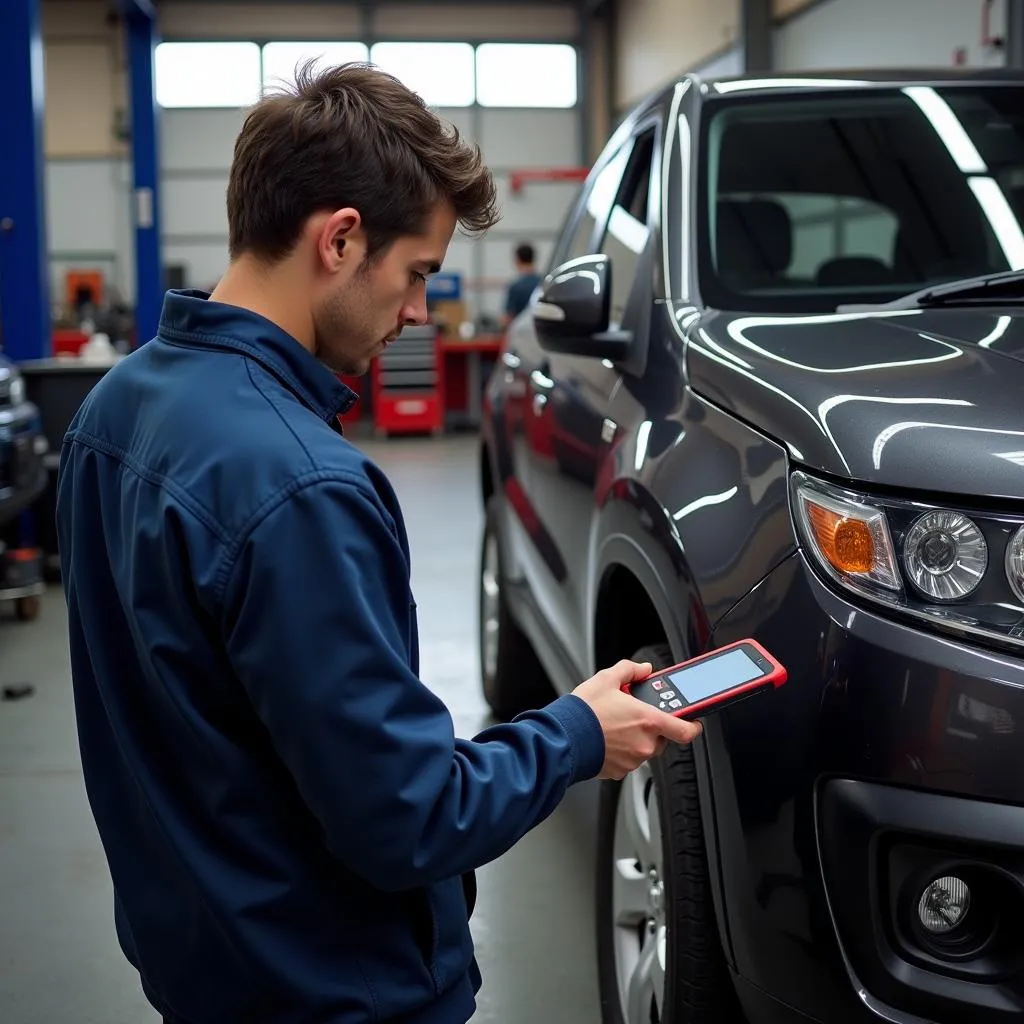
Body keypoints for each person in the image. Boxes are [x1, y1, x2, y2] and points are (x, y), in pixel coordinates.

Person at [56, 62, 702, 1024]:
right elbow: (406, 815)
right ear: (341, 238)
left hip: (202, 964)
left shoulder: (115, 410)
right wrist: (576, 734)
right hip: (335, 989)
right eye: (417, 275)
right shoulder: (300, 483)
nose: (415, 312)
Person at [501, 241, 543, 327]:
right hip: (540, 330)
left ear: (517, 260)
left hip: (521, 332)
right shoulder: (543, 283)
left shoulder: (515, 287)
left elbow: (508, 318)